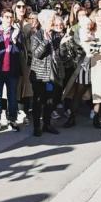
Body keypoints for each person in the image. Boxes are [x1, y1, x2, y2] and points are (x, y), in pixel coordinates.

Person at [29, 9, 66, 137]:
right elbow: (36, 54)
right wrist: (45, 41)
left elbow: (62, 55)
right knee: (38, 101)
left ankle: (47, 124)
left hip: (53, 74)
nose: (54, 21)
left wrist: (64, 46)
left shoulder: (57, 35)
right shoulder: (36, 35)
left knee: (50, 100)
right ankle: (36, 126)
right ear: (44, 21)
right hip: (40, 75)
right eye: (51, 19)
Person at [0, 8, 22, 131]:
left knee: (12, 96)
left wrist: (14, 40)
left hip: (12, 70)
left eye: (11, 17)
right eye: (6, 17)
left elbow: (19, 51)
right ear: (1, 18)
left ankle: (12, 119)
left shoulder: (16, 32)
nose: (9, 19)